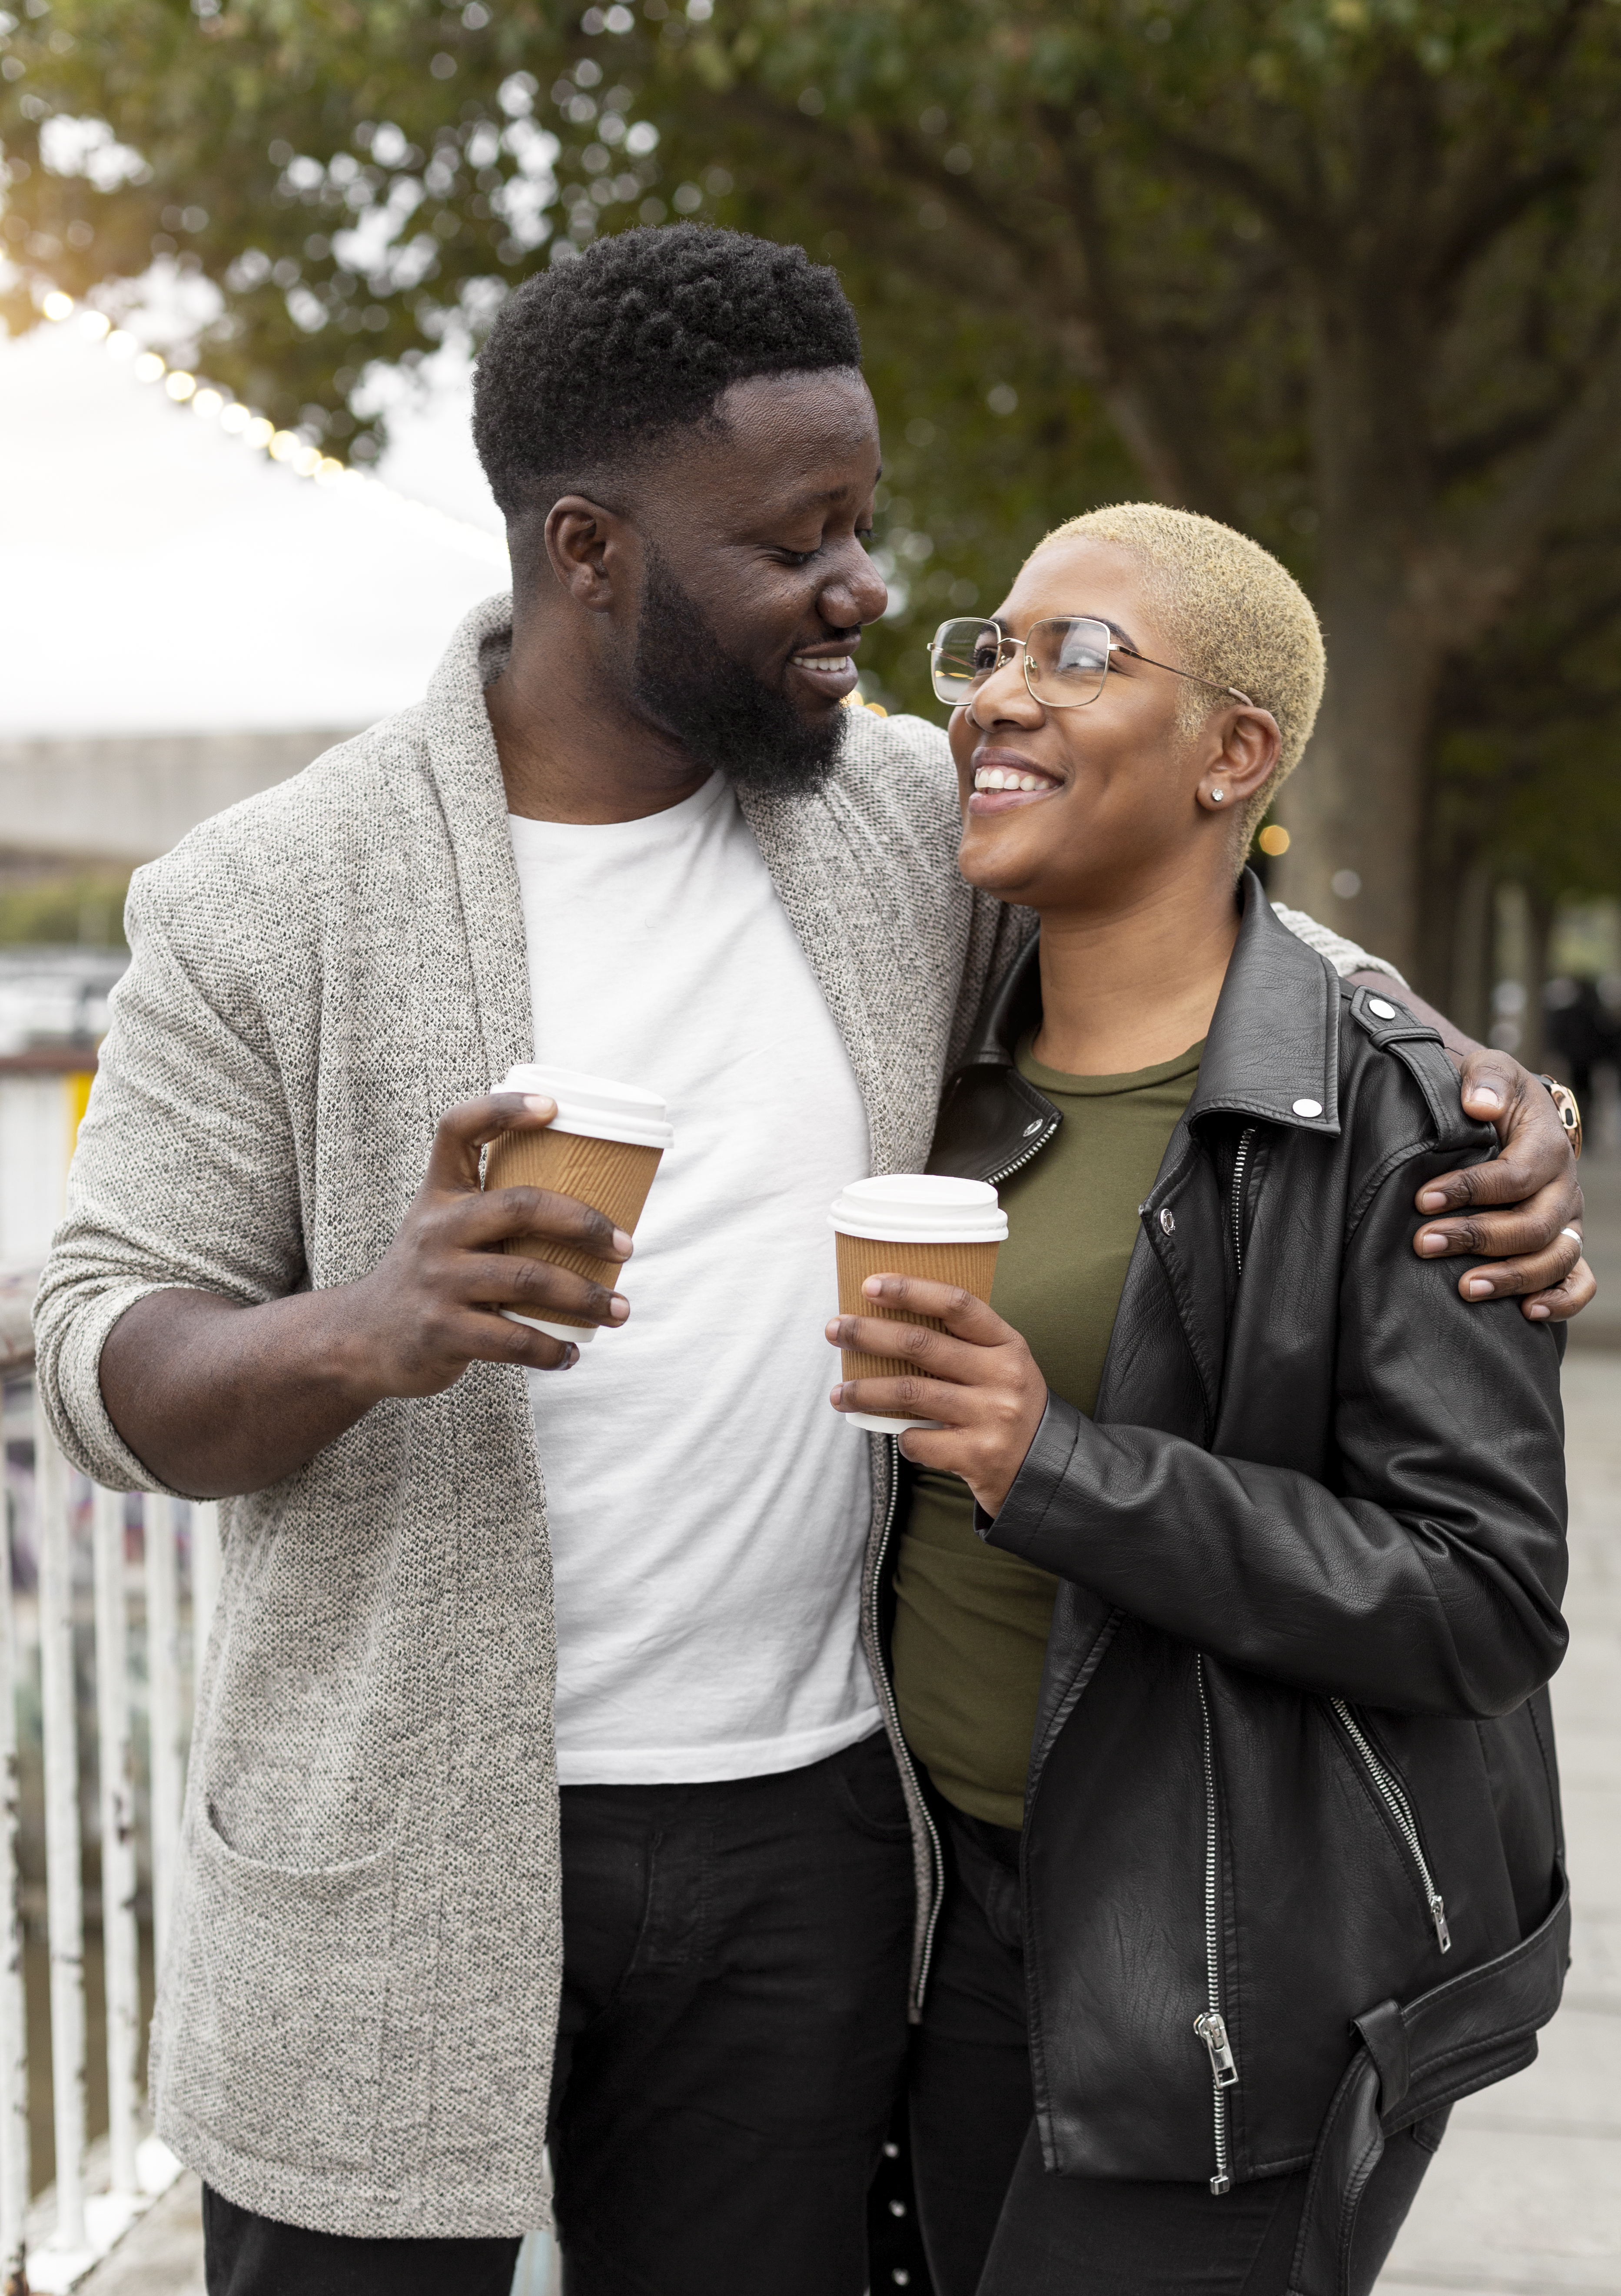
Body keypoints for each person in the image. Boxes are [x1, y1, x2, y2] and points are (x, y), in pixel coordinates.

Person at [32, 233, 1585, 2296]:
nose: (868, 589)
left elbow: (1201, 923)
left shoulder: (892, 822)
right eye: (801, 542)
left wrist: (1464, 1080)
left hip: (813, 1838)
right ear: (591, 549)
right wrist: (365, 1327)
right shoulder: (270, 897)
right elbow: (93, 1342)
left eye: (864, 523)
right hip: (390, 1856)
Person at [826, 503, 1571, 2296]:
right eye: (988, 648)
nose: (999, 693)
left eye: (1079, 654)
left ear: (1236, 751)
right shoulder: (935, 1058)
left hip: (1221, 1975)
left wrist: (1050, 1461)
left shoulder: (1395, 1119)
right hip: (943, 1922)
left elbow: (1481, 1588)